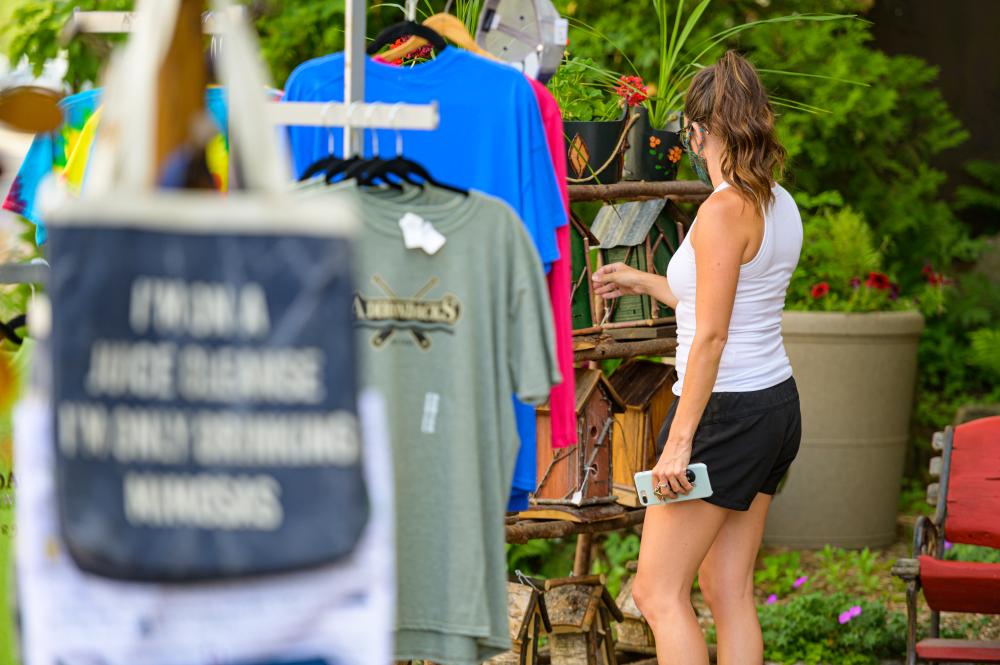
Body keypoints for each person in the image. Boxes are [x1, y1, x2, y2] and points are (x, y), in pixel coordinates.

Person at [592, 50, 803, 665]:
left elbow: (710, 336)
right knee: (726, 588)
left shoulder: (721, 211)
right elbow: (726, 298)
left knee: (657, 592)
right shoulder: (777, 202)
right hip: (774, 406)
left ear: (698, 130)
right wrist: (642, 279)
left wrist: (679, 440)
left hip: (723, 411)